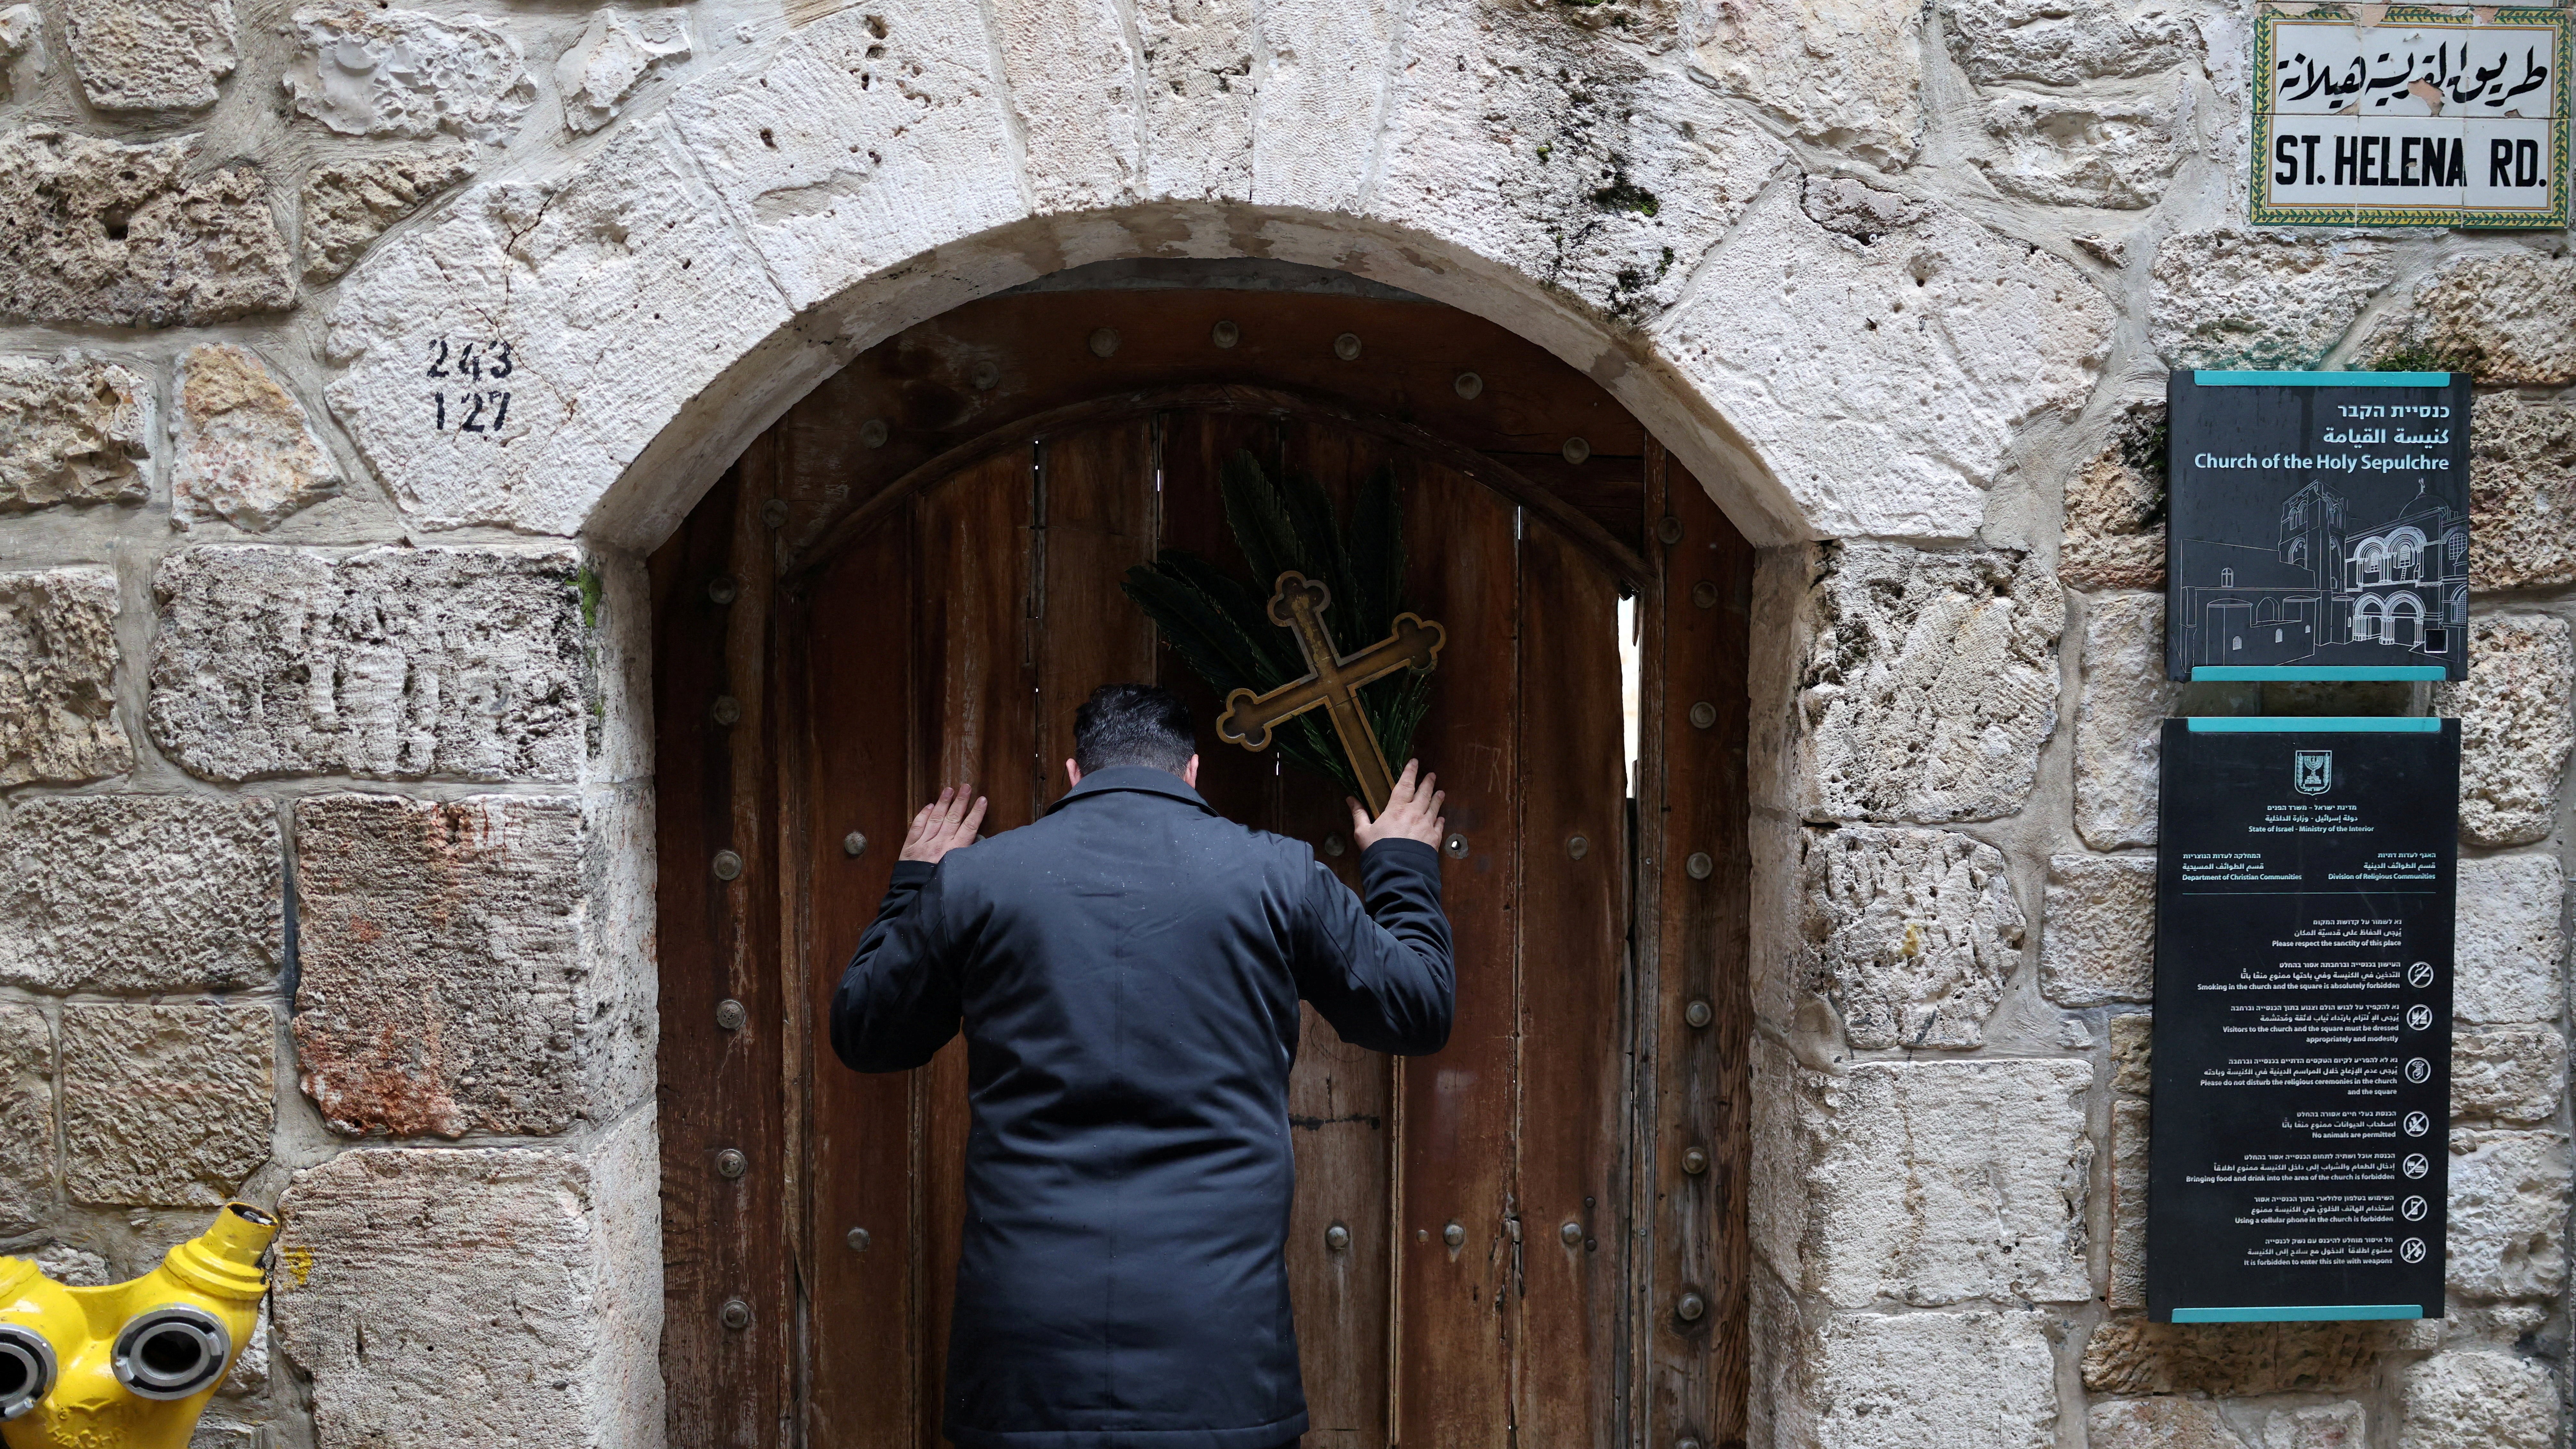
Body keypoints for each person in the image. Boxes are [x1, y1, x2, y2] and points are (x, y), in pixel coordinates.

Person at [831, 681, 1455, 1449]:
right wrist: (1401, 864)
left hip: (1026, 1369)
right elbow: (1419, 1008)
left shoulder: (978, 881)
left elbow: (866, 1031)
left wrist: (917, 882)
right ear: (1193, 773)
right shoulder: (1278, 876)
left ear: (1072, 774)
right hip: (1219, 1363)